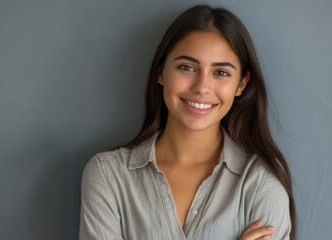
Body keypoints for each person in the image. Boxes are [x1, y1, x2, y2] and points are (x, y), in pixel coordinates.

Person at [79, 4, 296, 240]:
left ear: (241, 84)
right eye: (187, 67)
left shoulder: (261, 184)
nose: (201, 87)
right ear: (161, 71)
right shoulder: (108, 176)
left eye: (221, 72)